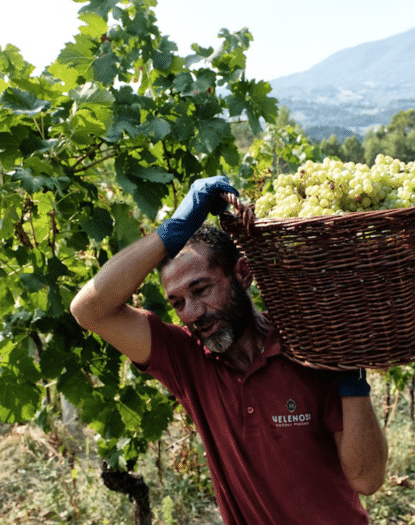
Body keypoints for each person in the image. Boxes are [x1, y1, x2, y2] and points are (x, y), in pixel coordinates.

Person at [70, 176, 388, 525]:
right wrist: (170, 233)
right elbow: (88, 310)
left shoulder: (306, 348)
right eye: (177, 303)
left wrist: (351, 371)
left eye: (201, 289)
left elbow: (366, 479)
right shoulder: (187, 359)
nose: (192, 313)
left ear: (243, 274)